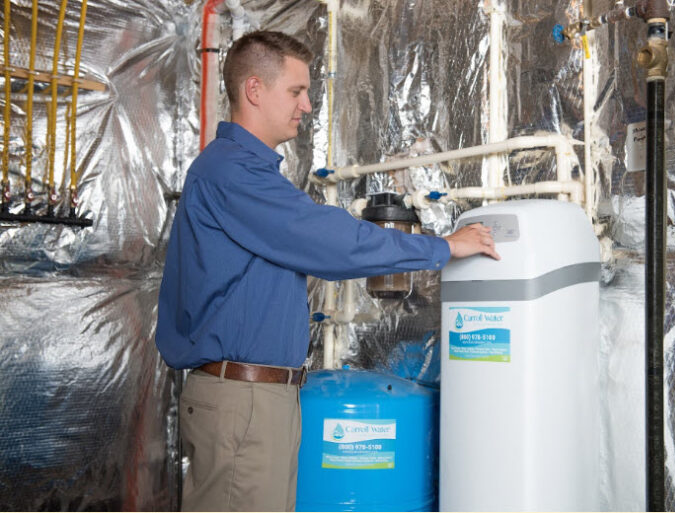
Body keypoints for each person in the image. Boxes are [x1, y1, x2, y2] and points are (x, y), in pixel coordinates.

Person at [156, 30, 500, 512]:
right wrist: (441, 246)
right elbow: (330, 240)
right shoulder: (233, 173)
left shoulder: (244, 174)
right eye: (296, 91)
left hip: (261, 399)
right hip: (243, 402)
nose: (308, 105)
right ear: (254, 90)